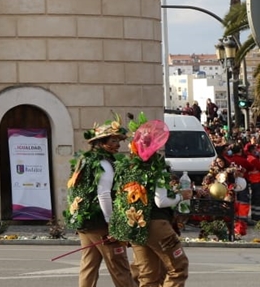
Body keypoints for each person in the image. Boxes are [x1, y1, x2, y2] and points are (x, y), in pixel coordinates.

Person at [110, 117, 189, 287]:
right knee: (178, 268)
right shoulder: (156, 168)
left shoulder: (127, 169)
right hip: (157, 225)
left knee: (148, 275)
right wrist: (182, 196)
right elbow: (161, 201)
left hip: (137, 226)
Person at [64, 116, 135, 287]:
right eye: (113, 140)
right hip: (101, 222)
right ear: (102, 142)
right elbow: (103, 194)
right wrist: (111, 223)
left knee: (89, 265)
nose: (118, 144)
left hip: (85, 221)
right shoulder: (104, 163)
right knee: (119, 266)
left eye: (118, 140)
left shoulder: (84, 160)